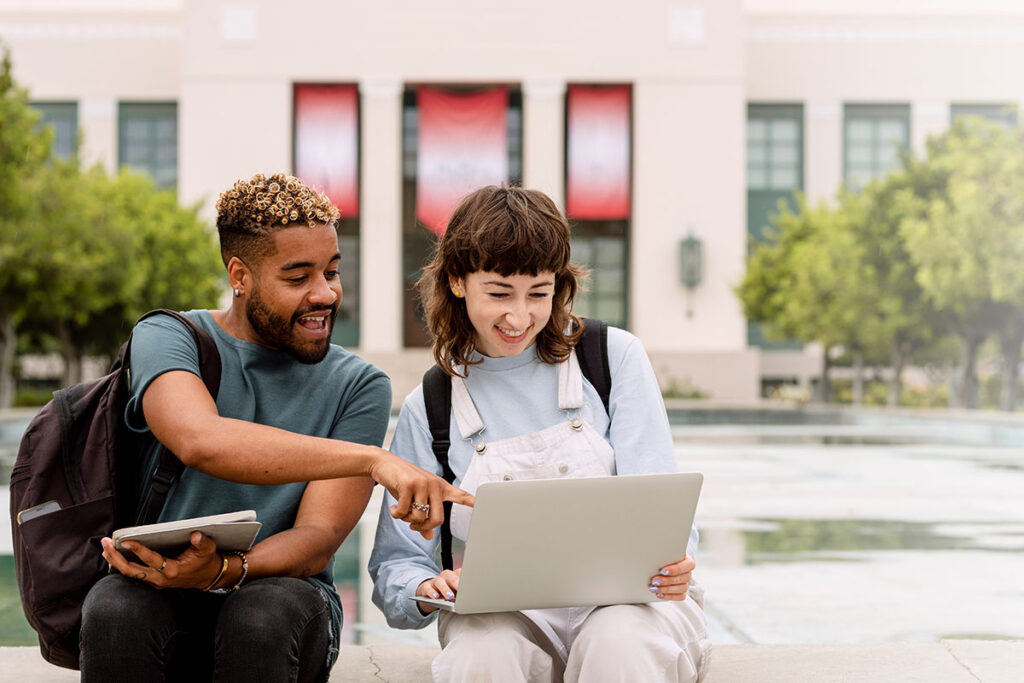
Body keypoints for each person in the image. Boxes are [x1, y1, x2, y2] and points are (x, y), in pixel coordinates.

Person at [80, 172, 472, 683]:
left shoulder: (358, 385)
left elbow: (316, 538)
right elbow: (200, 440)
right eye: (297, 278)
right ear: (239, 275)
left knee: (261, 615)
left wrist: (225, 571)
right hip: (162, 588)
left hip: (285, 597)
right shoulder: (167, 336)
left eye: (331, 272)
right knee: (114, 608)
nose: (326, 294)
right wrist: (373, 460)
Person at [369, 185, 711, 682]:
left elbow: (664, 509)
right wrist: (427, 588)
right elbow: (397, 562)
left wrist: (678, 562)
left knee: (618, 644)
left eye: (539, 293)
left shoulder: (612, 359)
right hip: (504, 619)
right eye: (499, 293)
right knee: (480, 657)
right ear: (458, 282)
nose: (520, 316)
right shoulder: (432, 406)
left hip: (628, 609)